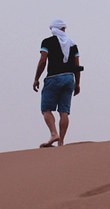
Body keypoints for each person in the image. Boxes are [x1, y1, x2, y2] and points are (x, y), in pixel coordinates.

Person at [33, 19, 82, 147]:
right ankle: (61, 142)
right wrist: (77, 83)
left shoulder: (47, 42)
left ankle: (54, 134)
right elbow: (77, 66)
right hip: (69, 78)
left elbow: (43, 60)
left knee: (46, 109)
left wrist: (36, 78)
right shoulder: (72, 45)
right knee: (64, 111)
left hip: (53, 78)